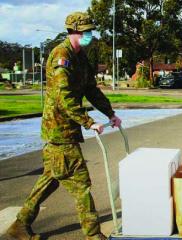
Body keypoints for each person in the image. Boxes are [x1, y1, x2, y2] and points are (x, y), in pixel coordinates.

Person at [6, 12, 122, 240]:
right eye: (86, 31)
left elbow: (91, 89)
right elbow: (64, 96)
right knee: (81, 185)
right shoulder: (62, 55)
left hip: (66, 130)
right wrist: (89, 122)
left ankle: (19, 225)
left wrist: (110, 113)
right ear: (75, 32)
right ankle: (93, 235)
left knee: (50, 180)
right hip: (59, 130)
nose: (90, 35)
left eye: (90, 30)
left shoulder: (81, 57)